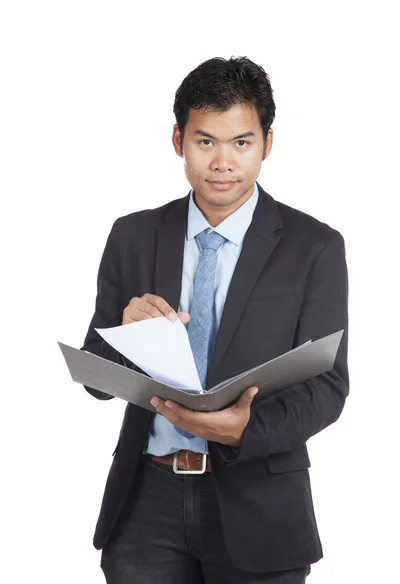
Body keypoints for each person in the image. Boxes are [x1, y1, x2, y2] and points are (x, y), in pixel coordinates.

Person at [81, 56, 349, 583]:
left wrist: (246, 428)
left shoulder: (314, 246)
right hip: (144, 505)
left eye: (241, 143)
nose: (223, 162)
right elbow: (96, 378)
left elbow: (329, 385)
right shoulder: (132, 235)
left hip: (260, 502)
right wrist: (123, 336)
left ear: (267, 143)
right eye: (206, 142)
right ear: (178, 140)